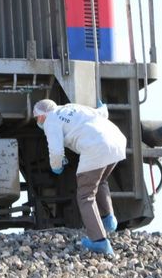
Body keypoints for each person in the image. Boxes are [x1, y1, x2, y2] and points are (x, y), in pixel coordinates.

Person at [33, 99, 126, 255]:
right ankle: (108, 220)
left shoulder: (50, 121)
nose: (38, 121)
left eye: (37, 118)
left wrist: (57, 167)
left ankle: (99, 242)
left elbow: (56, 152)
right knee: (100, 180)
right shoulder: (72, 108)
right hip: (117, 141)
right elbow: (101, 113)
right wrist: (103, 106)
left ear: (42, 116)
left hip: (97, 146)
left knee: (85, 195)